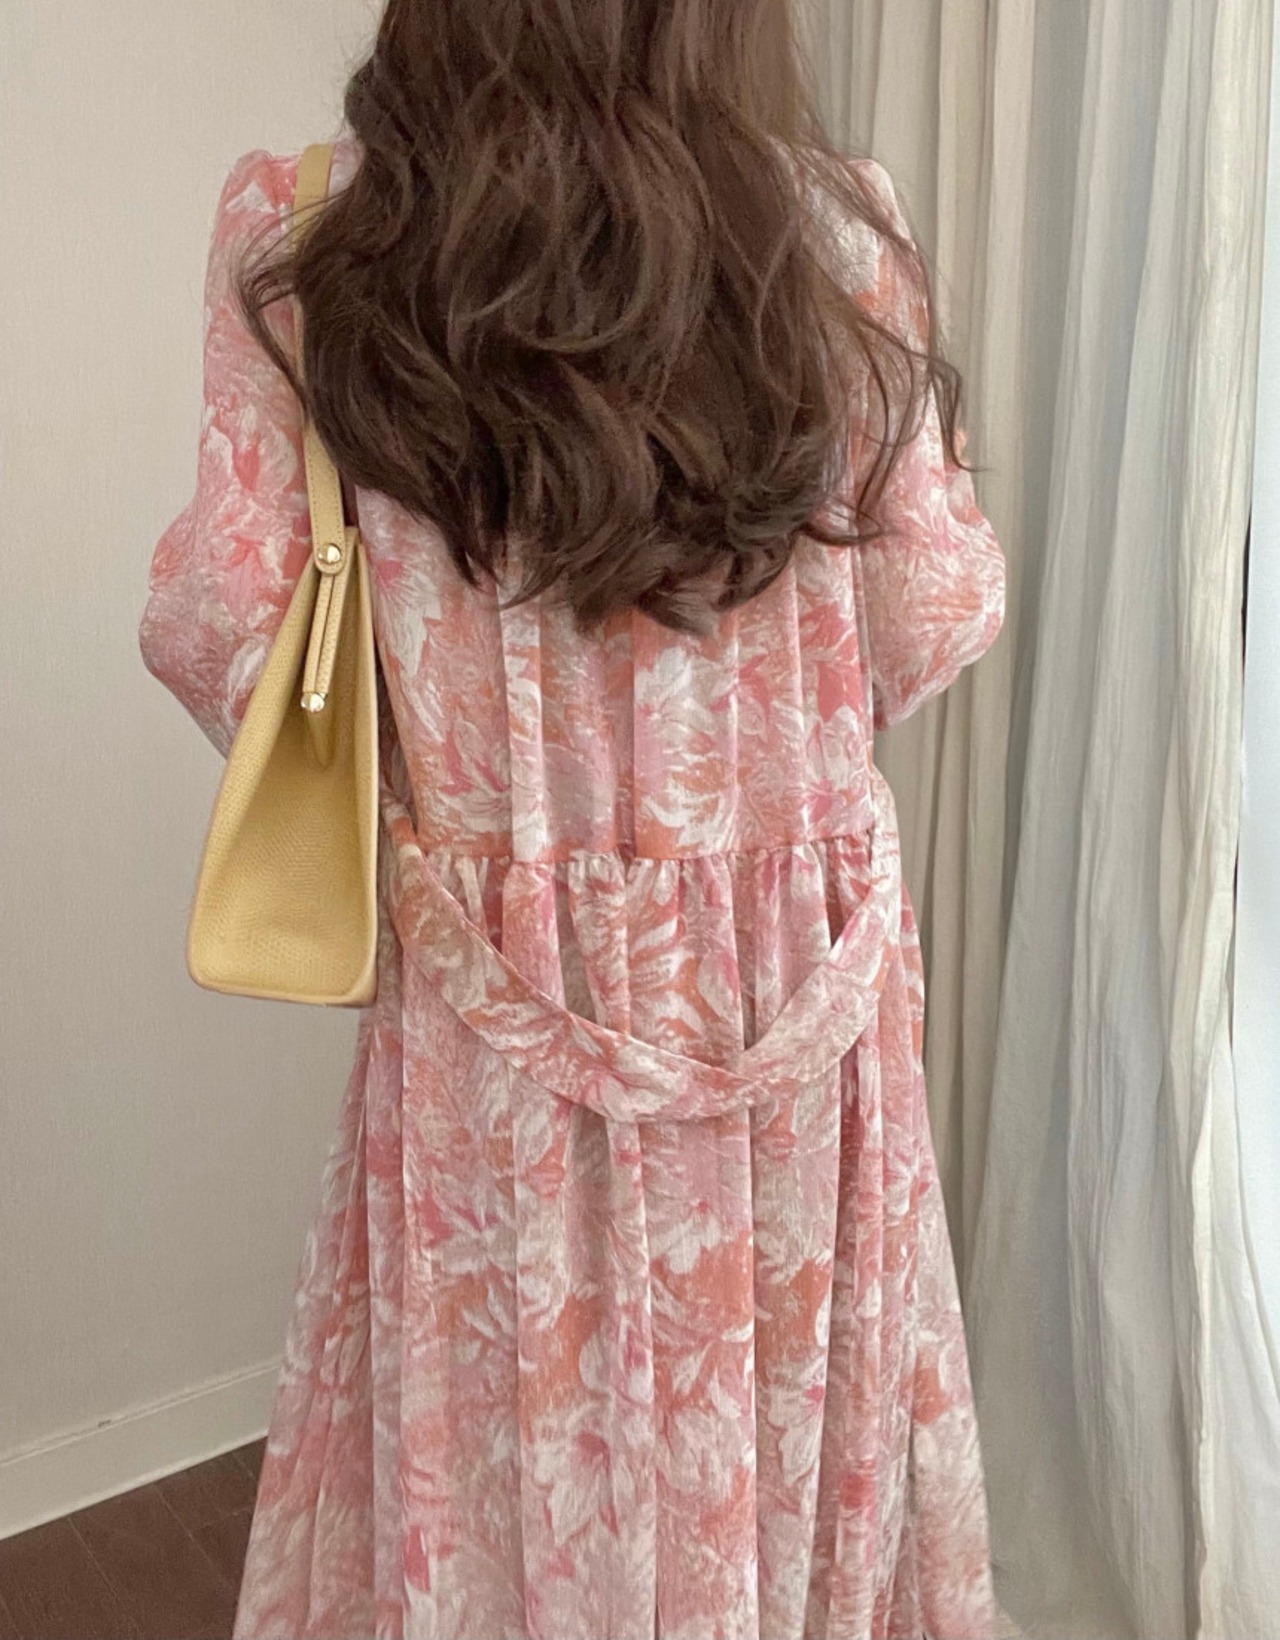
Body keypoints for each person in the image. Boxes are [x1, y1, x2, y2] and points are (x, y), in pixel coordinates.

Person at [138, 3, 1005, 1635]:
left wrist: (469, 713)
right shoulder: (840, 237)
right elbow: (930, 618)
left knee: (508, 1474)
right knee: (785, 1465)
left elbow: (225, 636)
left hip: (495, 1020)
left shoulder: (309, 238)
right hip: (792, 1009)